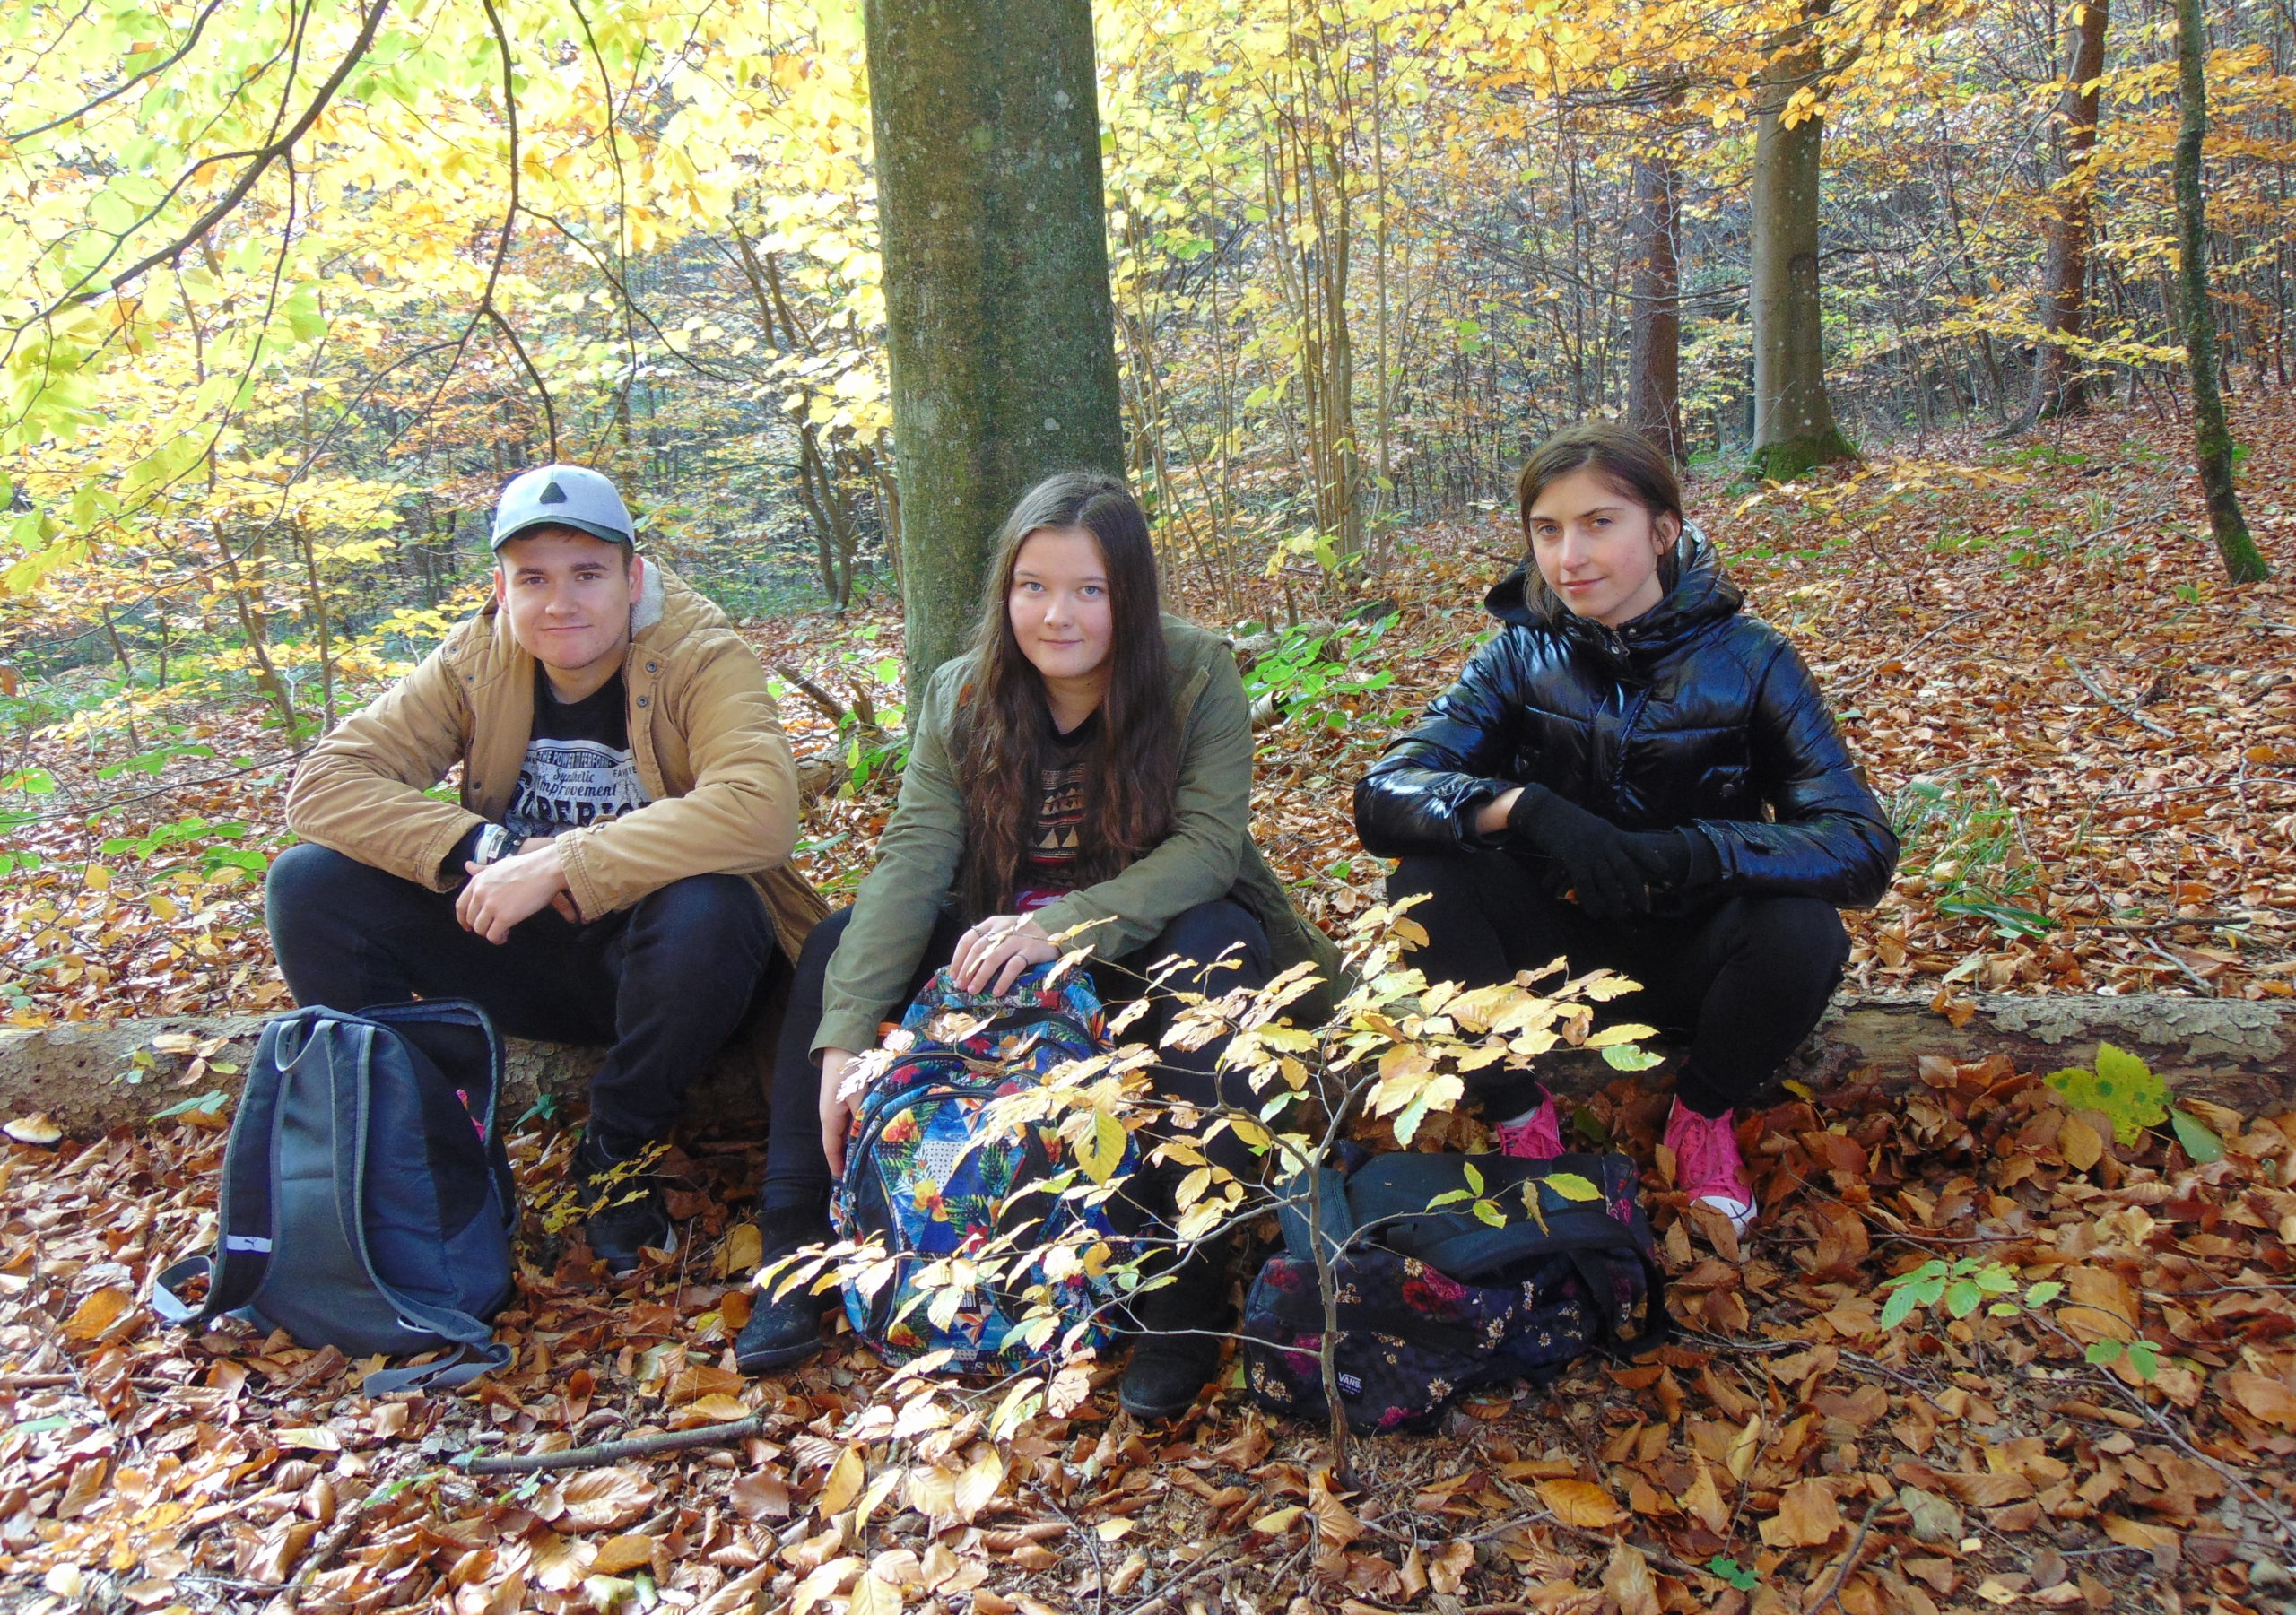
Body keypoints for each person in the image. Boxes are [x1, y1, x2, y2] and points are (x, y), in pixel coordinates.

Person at [735, 472, 1340, 1420]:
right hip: (996, 944)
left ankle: (1187, 1285)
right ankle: (795, 1247)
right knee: (837, 944)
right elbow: (914, 857)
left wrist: (1057, 926)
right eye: (1033, 587)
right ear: (1004, 592)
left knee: (1217, 945)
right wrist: (847, 1034)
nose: (1058, 616)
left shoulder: (1191, 675)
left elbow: (1208, 848)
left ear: (1130, 593)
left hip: (1132, 938)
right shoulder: (962, 692)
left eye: (1089, 589)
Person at [268, 465, 824, 1274]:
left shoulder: (701, 656)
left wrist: (567, 860)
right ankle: (431, 1146)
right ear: (502, 589)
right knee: (308, 884)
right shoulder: (476, 660)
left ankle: (618, 1154)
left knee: (715, 903)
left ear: (633, 580)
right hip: (520, 944)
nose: (561, 603)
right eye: (533, 579)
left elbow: (760, 809)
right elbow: (324, 784)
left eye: (587, 574)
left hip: (673, 969)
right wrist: (486, 850)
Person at [1352, 421, 1896, 1235]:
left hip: (1694, 956)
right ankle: (1519, 1113)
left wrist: (1696, 852)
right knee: (1423, 880)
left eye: (1599, 523)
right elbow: (1384, 795)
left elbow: (1860, 845)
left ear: (1663, 530)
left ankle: (1702, 1115)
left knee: (1803, 926)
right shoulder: (1520, 654)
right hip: (1552, 956)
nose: (1569, 556)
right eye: (1547, 530)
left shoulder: (1753, 660)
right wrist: (1526, 809)